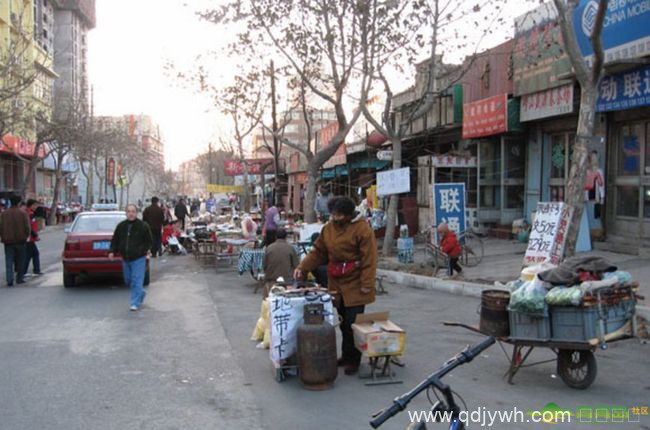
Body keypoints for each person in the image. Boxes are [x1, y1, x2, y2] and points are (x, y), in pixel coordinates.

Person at [294, 196, 377, 375]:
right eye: (333, 215)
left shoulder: (363, 229)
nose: (335, 218)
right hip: (336, 281)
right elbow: (318, 252)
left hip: (356, 282)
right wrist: (302, 267)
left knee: (352, 324)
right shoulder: (328, 229)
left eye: (339, 215)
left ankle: (354, 360)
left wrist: (366, 284)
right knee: (341, 321)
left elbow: (369, 259)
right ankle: (346, 356)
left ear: (348, 214)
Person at [109, 204, 152, 311]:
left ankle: (135, 303)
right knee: (128, 280)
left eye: (133, 211)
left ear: (136, 213)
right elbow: (115, 240)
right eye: (128, 211)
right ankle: (140, 292)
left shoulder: (142, 226)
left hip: (138, 258)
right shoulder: (121, 226)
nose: (131, 213)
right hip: (126, 258)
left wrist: (143, 251)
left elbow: (149, 241)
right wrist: (112, 251)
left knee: (137, 280)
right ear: (126, 213)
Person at [0, 196, 30, 286]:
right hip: (21, 240)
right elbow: (27, 227)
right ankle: (19, 278)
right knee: (21, 259)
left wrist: (3, 236)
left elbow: (0, 227)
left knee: (9, 260)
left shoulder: (4, 214)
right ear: (19, 203)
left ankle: (9, 279)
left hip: (8, 240)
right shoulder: (23, 213)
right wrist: (26, 236)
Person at [263, 228, 299, 296]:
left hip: (271, 280)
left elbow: (264, 265)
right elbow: (296, 265)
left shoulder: (269, 248)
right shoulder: (290, 248)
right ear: (286, 237)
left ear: (275, 237)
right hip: (287, 281)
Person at [24, 199, 43, 276]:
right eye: (35, 205)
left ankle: (25, 271)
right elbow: (29, 226)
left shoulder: (30, 213)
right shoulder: (29, 213)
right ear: (31, 205)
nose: (36, 207)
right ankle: (35, 270)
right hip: (29, 237)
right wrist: (34, 235)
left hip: (30, 237)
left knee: (29, 255)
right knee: (34, 253)